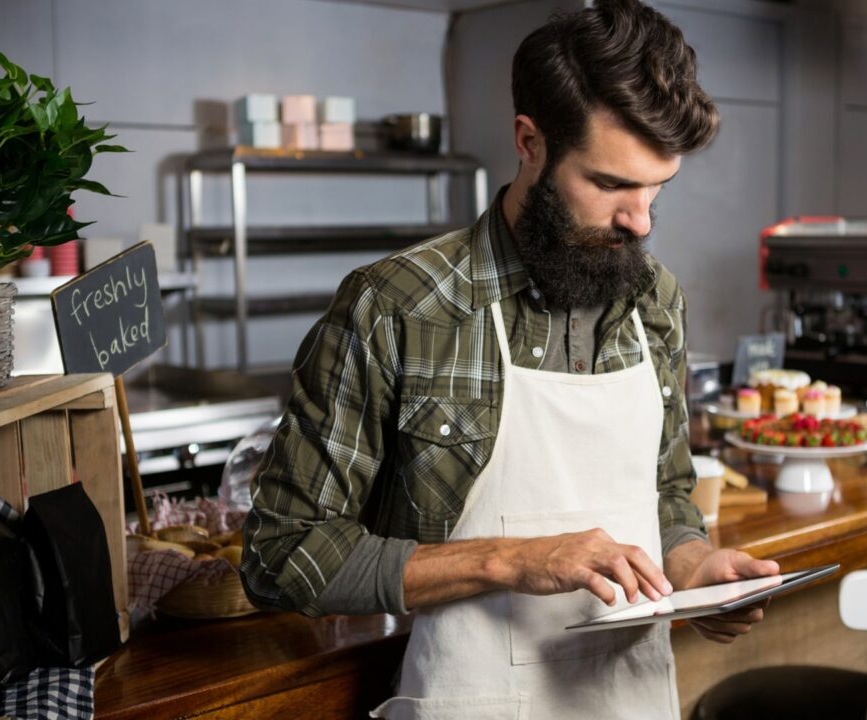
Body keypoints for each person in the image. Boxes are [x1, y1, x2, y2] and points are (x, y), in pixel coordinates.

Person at [241, 1, 780, 716]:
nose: (642, 220)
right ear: (530, 142)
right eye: (613, 185)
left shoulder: (655, 303)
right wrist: (511, 560)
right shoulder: (399, 306)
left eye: (657, 189)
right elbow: (282, 555)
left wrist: (694, 568)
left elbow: (668, 495)